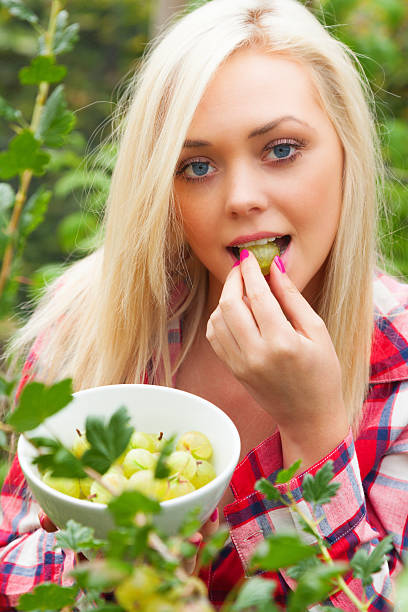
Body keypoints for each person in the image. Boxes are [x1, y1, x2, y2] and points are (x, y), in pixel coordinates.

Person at [1, 0, 407, 609]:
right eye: (197, 165)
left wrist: (314, 433)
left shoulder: (397, 364)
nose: (242, 198)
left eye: (281, 149)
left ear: (347, 151)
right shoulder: (82, 321)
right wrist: (95, 559)